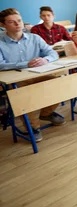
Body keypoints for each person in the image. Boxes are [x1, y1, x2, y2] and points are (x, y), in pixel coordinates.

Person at [0, 8, 64, 141]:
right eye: (12, 22)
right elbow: (1, 64)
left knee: (60, 83)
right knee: (23, 94)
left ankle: (46, 113)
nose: (18, 24)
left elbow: (52, 53)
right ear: (3, 25)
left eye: (19, 21)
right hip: (15, 79)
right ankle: (33, 128)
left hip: (36, 74)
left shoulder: (35, 38)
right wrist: (25, 64)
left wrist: (45, 59)